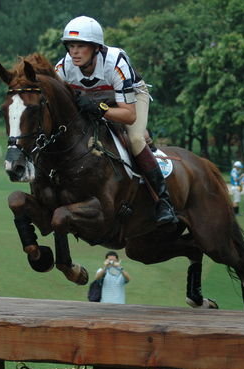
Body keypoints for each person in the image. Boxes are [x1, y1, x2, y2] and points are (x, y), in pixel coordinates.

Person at [56, 16, 177, 226]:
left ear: (95, 48)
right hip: (91, 101)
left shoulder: (115, 63)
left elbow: (128, 115)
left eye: (81, 46)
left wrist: (99, 109)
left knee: (136, 139)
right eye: (71, 46)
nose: (74, 52)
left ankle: (163, 201)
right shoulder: (62, 69)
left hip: (129, 101)